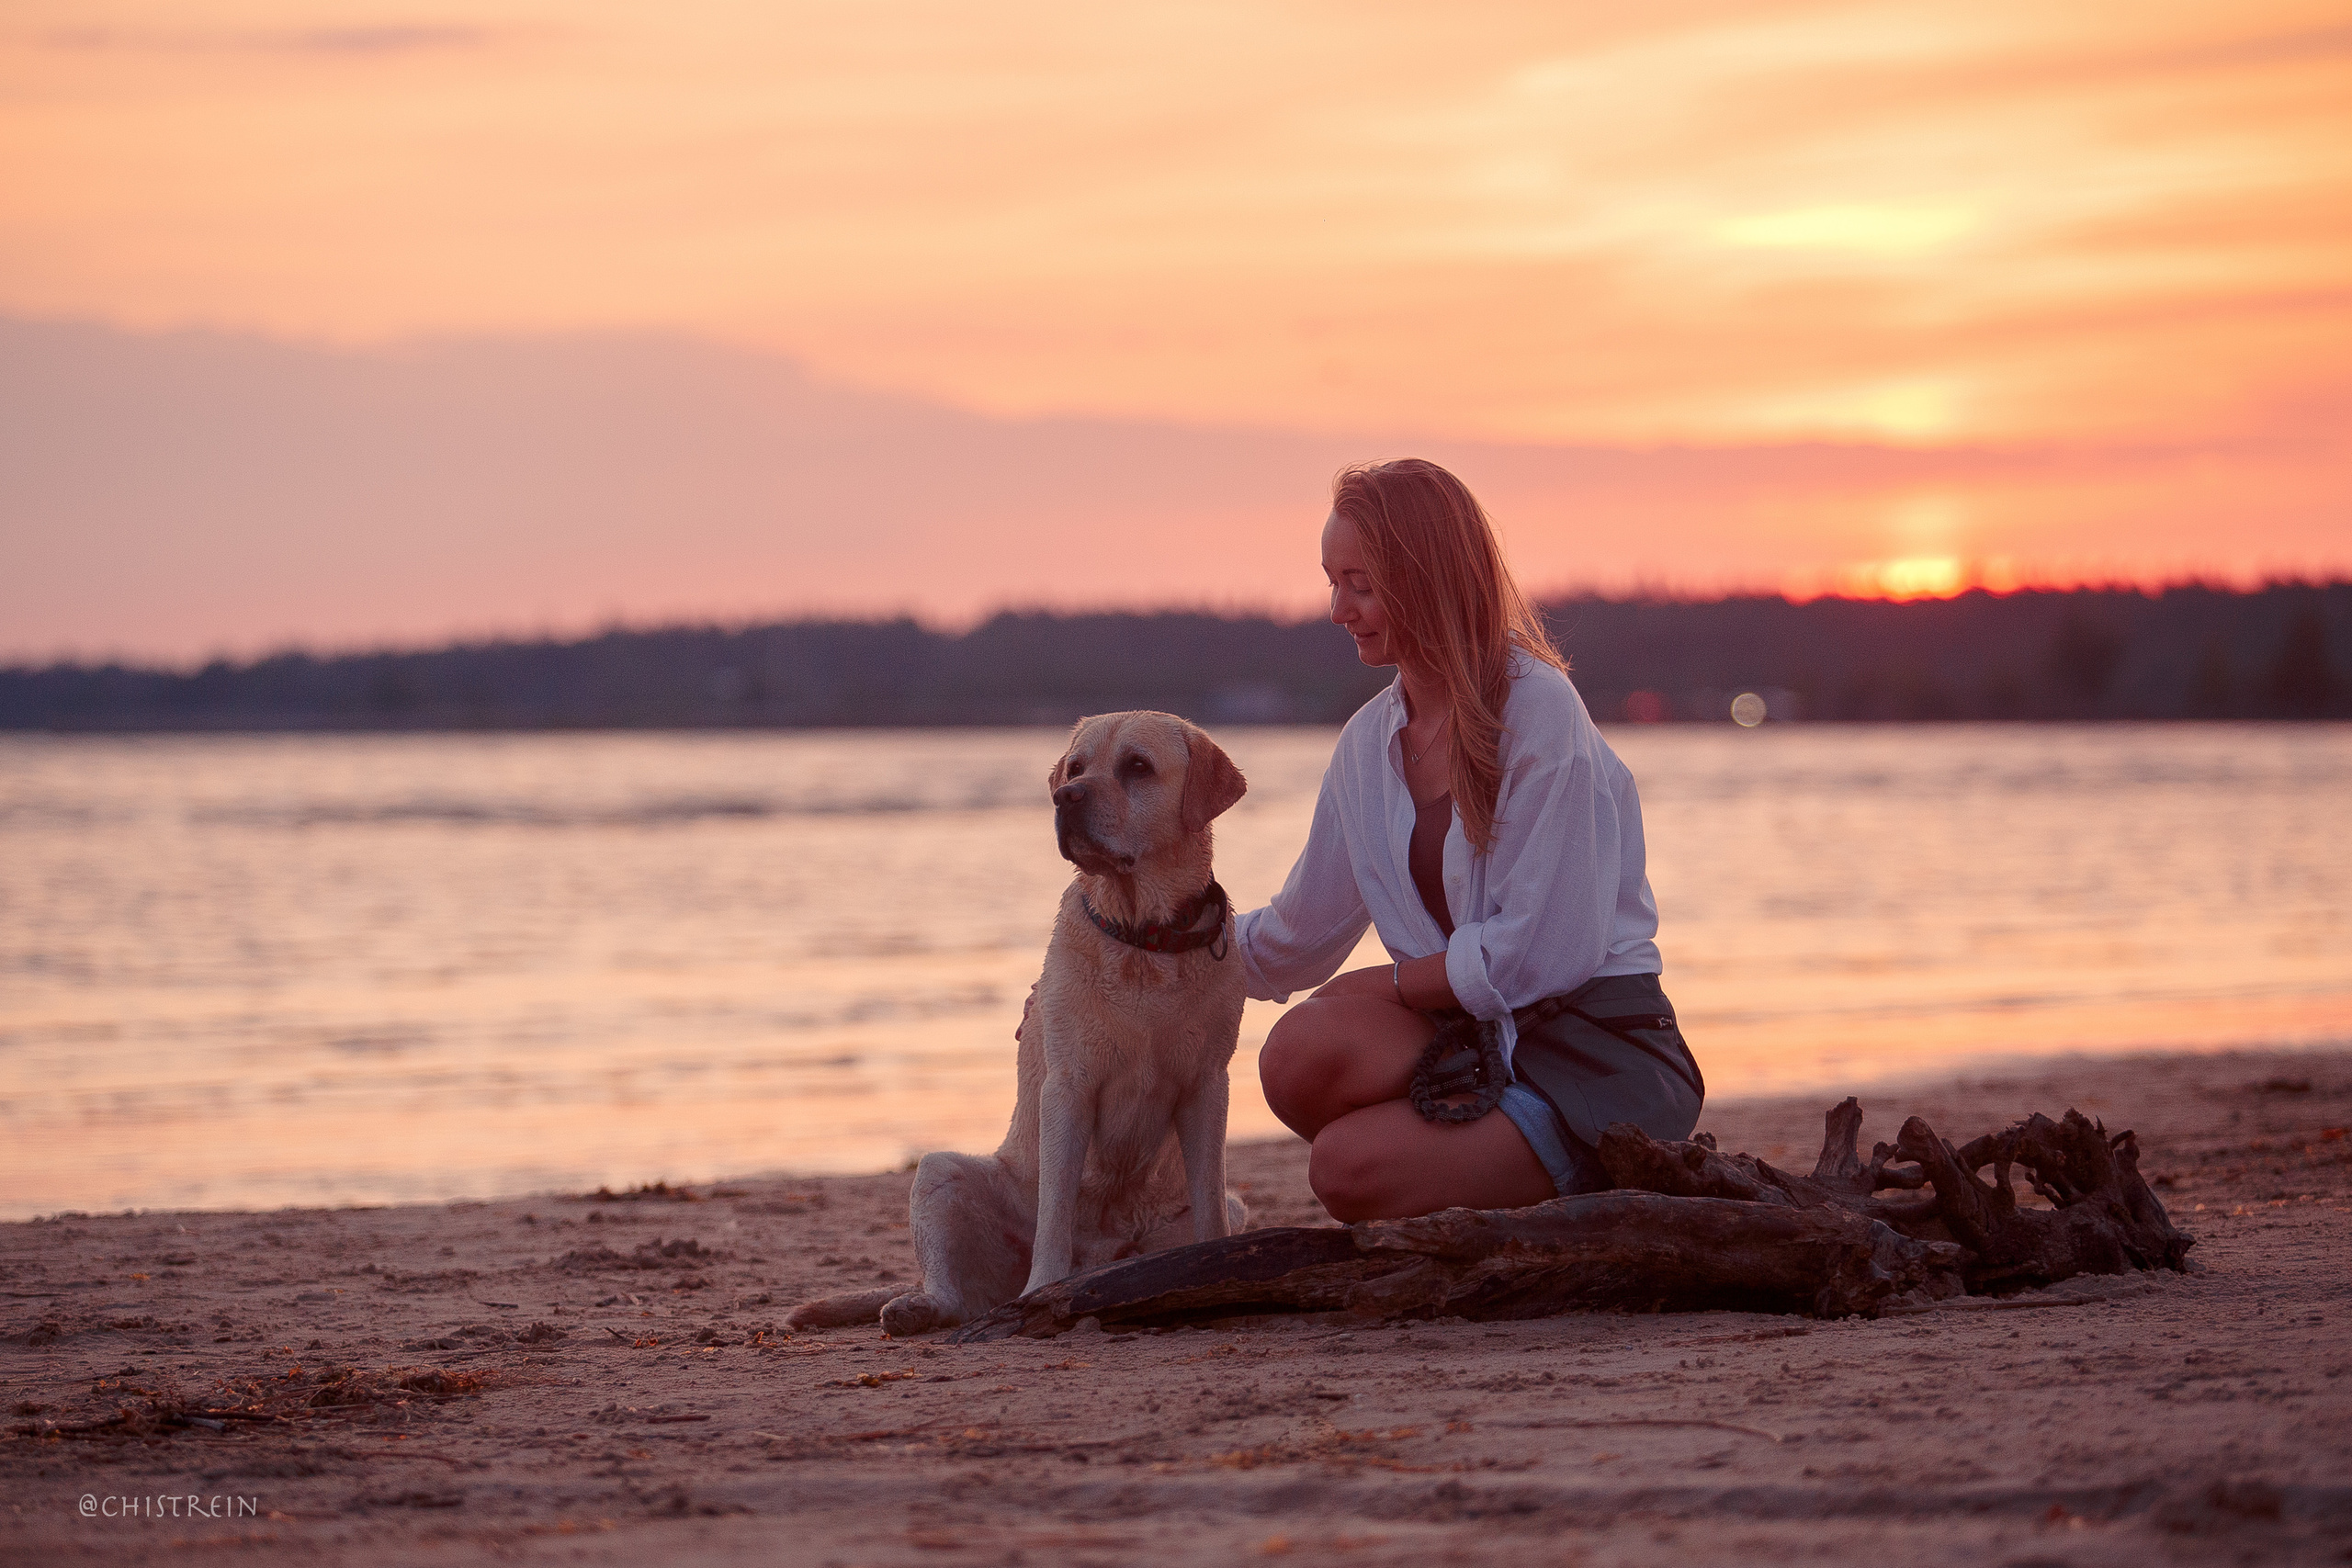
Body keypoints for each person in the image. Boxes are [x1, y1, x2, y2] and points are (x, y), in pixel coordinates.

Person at [1238, 458, 1702, 1222]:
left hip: (1588, 1051)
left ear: (1425, 576)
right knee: (1294, 1055)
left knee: (1341, 1168)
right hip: (1471, 1045)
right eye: (1332, 580)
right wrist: (1134, 957)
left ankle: (1585, 1172)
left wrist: (1387, 985)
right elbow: (1292, 938)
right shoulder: (1365, 748)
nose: (1336, 608)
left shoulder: (1540, 711)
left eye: (1360, 583)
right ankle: (1472, 1157)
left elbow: (1539, 953)